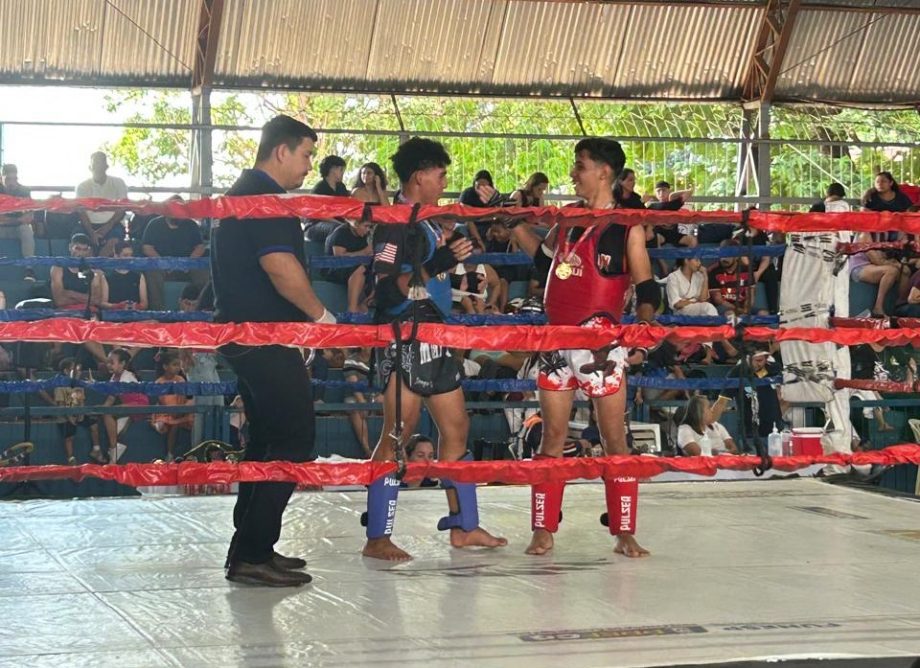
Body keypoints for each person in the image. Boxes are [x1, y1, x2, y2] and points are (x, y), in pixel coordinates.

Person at [363, 137, 507, 561]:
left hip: (436, 335)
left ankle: (464, 526)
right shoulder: (394, 223)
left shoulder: (426, 221)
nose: (445, 182)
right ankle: (377, 536)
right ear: (420, 176)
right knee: (397, 434)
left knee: (457, 429)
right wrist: (438, 263)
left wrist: (442, 259)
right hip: (404, 334)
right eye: (441, 174)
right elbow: (385, 291)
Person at [212, 115, 335, 587]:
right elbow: (281, 268)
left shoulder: (240, 193)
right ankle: (252, 554)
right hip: (261, 335)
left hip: (249, 334)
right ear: (281, 151)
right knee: (292, 438)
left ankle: (250, 548)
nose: (308, 166)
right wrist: (323, 318)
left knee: (265, 441)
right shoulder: (262, 199)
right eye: (305, 155)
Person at [526, 137, 660, 558]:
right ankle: (543, 529)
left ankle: (624, 532)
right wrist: (513, 225)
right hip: (555, 338)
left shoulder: (627, 226)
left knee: (613, 439)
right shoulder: (565, 220)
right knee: (551, 435)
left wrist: (644, 330)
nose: (572, 173)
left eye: (579, 165)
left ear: (603, 172)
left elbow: (646, 285)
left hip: (601, 341)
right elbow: (541, 262)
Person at [50, 233, 109, 366]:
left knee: (90, 324)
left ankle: (104, 362)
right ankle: (106, 361)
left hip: (89, 313)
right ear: (70, 247)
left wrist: (69, 293)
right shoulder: (58, 268)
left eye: (84, 249)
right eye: (77, 249)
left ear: (88, 250)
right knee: (80, 325)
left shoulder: (94, 270)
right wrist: (84, 298)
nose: (80, 253)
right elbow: (59, 300)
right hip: (65, 313)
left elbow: (95, 300)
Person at [140, 201, 208, 310]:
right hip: (162, 264)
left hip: (187, 264)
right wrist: (164, 263)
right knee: (152, 271)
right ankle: (158, 312)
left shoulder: (191, 224)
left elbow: (200, 246)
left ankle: (203, 309)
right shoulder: (154, 224)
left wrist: (188, 263)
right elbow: (147, 247)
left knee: (203, 272)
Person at [40, 357, 104, 465]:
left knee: (94, 424)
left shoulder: (79, 385)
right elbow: (61, 405)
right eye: (75, 370)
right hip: (65, 416)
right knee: (69, 435)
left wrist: (81, 414)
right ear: (66, 371)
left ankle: (96, 449)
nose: (79, 372)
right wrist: (70, 418)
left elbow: (81, 402)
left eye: (79, 370)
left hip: (77, 414)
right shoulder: (60, 386)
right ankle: (71, 457)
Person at [74, 152, 128, 256]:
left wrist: (107, 227)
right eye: (95, 164)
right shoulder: (82, 186)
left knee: (113, 242)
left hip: (113, 224)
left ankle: (97, 268)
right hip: (88, 225)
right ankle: (87, 269)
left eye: (101, 163)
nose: (98, 166)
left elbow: (122, 209)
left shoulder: (118, 183)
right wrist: (91, 232)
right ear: (90, 167)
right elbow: (81, 212)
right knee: (79, 241)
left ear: (106, 166)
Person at [99, 348, 147, 463]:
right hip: (128, 406)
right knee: (115, 431)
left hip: (139, 405)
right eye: (108, 362)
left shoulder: (127, 376)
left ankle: (114, 449)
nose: (109, 365)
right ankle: (115, 450)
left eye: (112, 362)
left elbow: (111, 399)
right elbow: (110, 399)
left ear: (122, 364)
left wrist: (103, 410)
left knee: (108, 413)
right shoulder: (113, 378)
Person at [151, 350, 194, 461]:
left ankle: (189, 454)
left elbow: (183, 398)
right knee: (171, 425)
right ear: (165, 366)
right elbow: (163, 402)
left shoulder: (181, 380)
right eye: (174, 365)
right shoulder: (159, 382)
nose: (178, 368)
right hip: (165, 412)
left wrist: (180, 411)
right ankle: (170, 454)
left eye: (179, 365)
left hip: (180, 412)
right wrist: (173, 413)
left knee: (190, 422)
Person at [324, 218, 373, 313]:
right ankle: (352, 308)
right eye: (366, 226)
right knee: (360, 269)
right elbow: (339, 256)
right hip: (334, 268)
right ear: (356, 224)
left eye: (370, 227)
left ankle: (365, 304)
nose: (368, 230)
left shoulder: (362, 236)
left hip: (353, 267)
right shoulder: (341, 233)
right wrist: (364, 252)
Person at [0, 163, 37, 281]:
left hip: (16, 229)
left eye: (14, 179)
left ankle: (29, 270)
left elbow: (29, 217)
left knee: (27, 229)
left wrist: (9, 220)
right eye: (8, 179)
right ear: (1, 178)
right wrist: (18, 220)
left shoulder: (24, 191)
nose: (12, 183)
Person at [708, 241, 753, 316]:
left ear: (736, 257)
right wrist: (738, 310)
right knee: (731, 314)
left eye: (727, 255)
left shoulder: (746, 271)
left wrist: (745, 310)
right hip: (724, 307)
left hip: (742, 307)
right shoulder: (714, 272)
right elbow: (718, 300)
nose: (723, 259)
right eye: (722, 255)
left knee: (763, 313)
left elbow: (750, 296)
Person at [103, 241, 148, 310]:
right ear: (116, 256)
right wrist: (117, 306)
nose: (129, 258)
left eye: (131, 255)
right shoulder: (107, 276)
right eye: (125, 255)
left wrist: (135, 307)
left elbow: (144, 304)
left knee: (154, 321)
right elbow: (103, 303)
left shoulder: (139, 275)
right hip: (114, 316)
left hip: (135, 315)